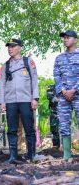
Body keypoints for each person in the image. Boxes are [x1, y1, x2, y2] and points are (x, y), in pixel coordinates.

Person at [0, 38, 39, 164]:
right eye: (8, 47)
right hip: (10, 101)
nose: (10, 49)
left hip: (26, 100)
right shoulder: (5, 66)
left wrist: (35, 98)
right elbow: (2, 85)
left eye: (13, 46)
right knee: (11, 129)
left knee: (29, 128)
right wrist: (2, 102)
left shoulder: (28, 62)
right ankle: (13, 156)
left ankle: (31, 155)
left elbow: (34, 81)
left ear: (20, 48)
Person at [53, 30, 79, 161]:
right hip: (63, 97)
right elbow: (56, 76)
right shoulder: (59, 58)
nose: (65, 40)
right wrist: (63, 91)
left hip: (78, 95)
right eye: (64, 38)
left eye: (68, 38)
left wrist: (74, 89)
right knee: (64, 124)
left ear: (75, 40)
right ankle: (67, 155)